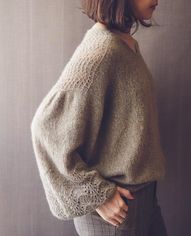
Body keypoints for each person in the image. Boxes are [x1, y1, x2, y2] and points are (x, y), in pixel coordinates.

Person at [30, 0, 168, 235]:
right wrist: (96, 195)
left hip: (143, 199)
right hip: (117, 214)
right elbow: (45, 128)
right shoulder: (102, 50)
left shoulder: (124, 44)